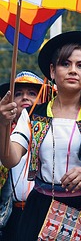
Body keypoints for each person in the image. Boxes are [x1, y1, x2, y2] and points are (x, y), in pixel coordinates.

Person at [0, 30, 81, 239]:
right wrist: (3, 124)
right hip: (41, 211)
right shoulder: (33, 115)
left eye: (80, 65)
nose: (72, 70)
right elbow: (10, 159)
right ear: (52, 71)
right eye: (65, 64)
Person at [0, 71, 43, 240]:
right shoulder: (3, 134)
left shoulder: (54, 131)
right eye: (18, 94)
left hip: (44, 211)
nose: (25, 98)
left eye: (32, 93)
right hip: (12, 215)